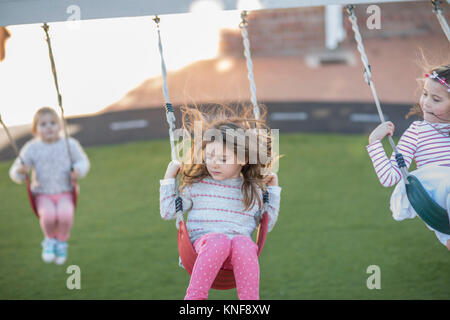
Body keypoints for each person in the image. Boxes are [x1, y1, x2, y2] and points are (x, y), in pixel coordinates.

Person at [160, 104, 281, 299]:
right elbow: (167, 212)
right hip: (202, 250)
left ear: (243, 158)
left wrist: (273, 190)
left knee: (244, 243)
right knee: (220, 240)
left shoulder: (251, 188)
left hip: (236, 258)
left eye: (223, 159)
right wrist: (169, 178)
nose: (214, 163)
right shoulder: (198, 185)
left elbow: (267, 224)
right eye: (209, 156)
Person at [366, 64, 450, 250]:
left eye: (436, 99)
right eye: (425, 94)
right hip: (435, 199)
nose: (426, 103)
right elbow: (389, 178)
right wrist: (374, 142)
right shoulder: (417, 132)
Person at [9, 107, 90, 264]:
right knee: (48, 216)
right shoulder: (31, 148)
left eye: (53, 123)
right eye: (43, 124)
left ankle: (61, 241)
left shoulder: (70, 144)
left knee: (66, 215)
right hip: (42, 194)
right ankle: (49, 240)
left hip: (65, 191)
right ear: (35, 129)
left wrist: (78, 170)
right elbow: (15, 171)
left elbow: (83, 161)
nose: (49, 127)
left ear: (60, 125)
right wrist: (21, 170)